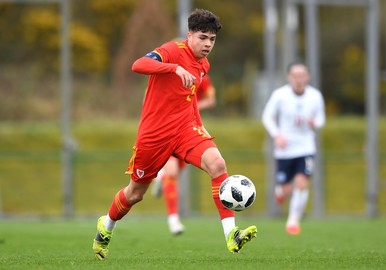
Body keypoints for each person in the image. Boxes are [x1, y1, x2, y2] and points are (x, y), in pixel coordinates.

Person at [92, 9, 257, 260]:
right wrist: (172, 68)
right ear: (190, 35)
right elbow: (138, 65)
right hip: (154, 135)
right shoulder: (171, 50)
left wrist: (200, 127)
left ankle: (231, 234)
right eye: (203, 37)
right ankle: (107, 226)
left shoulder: (204, 65)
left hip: (184, 130)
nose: (208, 44)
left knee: (217, 164)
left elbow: (189, 100)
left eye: (212, 39)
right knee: (135, 194)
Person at [261, 61, 325, 235]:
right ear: (289, 77)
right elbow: (267, 116)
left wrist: (315, 122)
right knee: (287, 189)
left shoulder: (315, 96)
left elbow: (321, 118)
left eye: (302, 75)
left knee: (302, 184)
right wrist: (277, 135)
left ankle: (293, 221)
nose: (299, 79)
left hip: (306, 148)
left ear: (308, 77)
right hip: (284, 150)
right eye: (295, 75)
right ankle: (280, 191)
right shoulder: (280, 95)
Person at [151, 74, 216, 235]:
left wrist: (191, 106)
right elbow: (150, 98)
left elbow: (211, 100)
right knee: (172, 172)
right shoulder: (167, 74)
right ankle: (173, 219)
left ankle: (160, 176)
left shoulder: (202, 76)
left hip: (188, 129)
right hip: (166, 128)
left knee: (174, 172)